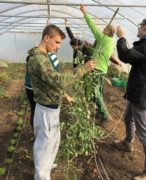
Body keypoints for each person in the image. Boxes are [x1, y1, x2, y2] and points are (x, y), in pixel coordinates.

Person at [27, 24, 97, 180]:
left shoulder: (43, 57)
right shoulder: (38, 60)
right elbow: (58, 80)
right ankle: (41, 176)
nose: (58, 47)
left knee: (53, 141)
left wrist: (65, 95)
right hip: (46, 110)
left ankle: (48, 166)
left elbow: (50, 83)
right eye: (57, 42)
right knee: (44, 146)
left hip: (50, 107)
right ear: (47, 38)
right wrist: (82, 69)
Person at [113, 15, 146, 180]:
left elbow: (125, 55)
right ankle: (128, 143)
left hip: (142, 95)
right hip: (138, 92)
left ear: (145, 27)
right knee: (128, 116)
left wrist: (121, 37)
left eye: (139, 25)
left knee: (145, 133)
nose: (137, 28)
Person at [80, 4, 116, 125]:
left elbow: (93, 27)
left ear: (108, 31)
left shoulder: (103, 38)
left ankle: (106, 116)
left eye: (106, 28)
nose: (103, 29)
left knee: (94, 92)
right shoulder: (109, 42)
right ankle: (99, 112)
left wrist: (85, 13)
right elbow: (98, 54)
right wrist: (90, 48)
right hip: (102, 69)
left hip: (96, 69)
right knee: (98, 92)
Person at [25, 52, 62, 128]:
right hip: (40, 88)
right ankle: (44, 132)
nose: (57, 47)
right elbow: (56, 71)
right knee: (45, 111)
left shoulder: (33, 54)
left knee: (34, 110)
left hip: (29, 86)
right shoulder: (51, 56)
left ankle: (36, 132)